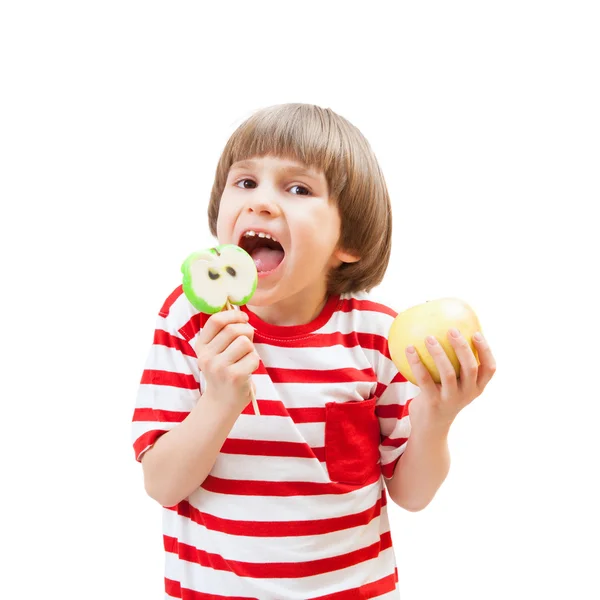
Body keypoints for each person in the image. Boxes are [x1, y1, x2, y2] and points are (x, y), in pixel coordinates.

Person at [131, 103, 496, 599]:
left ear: (348, 241)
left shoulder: (376, 336)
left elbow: (413, 494)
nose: (259, 202)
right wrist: (219, 400)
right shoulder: (190, 320)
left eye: (297, 188)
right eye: (244, 183)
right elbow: (163, 485)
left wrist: (437, 413)